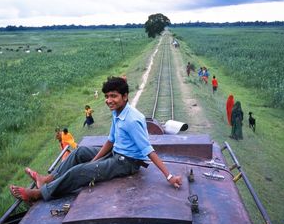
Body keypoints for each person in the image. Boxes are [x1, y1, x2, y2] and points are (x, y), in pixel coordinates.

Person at [10, 76, 182, 202]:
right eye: (107, 96)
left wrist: (169, 177)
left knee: (80, 171)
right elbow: (111, 140)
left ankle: (40, 194)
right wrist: (94, 159)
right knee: (80, 153)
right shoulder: (117, 112)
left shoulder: (132, 120)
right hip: (116, 153)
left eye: (113, 96)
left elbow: (148, 150)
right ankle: (47, 179)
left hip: (127, 163)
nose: (109, 100)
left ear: (125, 96)